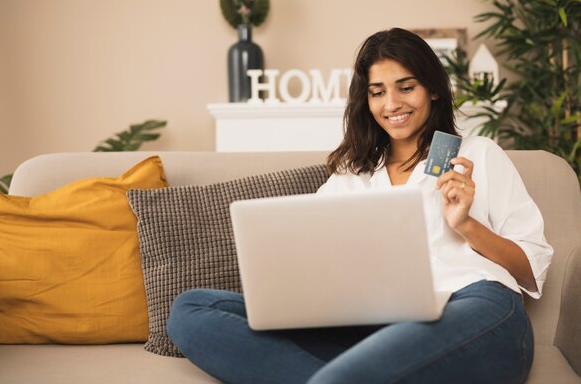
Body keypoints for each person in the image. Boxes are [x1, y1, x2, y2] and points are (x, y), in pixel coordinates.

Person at [167, 28, 553, 384]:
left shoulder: (477, 154)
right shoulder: (351, 177)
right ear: (365, 99)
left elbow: (530, 270)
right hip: (374, 326)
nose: (392, 104)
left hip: (473, 309)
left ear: (432, 89)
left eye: (406, 87)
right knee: (192, 308)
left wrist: (466, 224)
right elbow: (308, 260)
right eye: (378, 92)